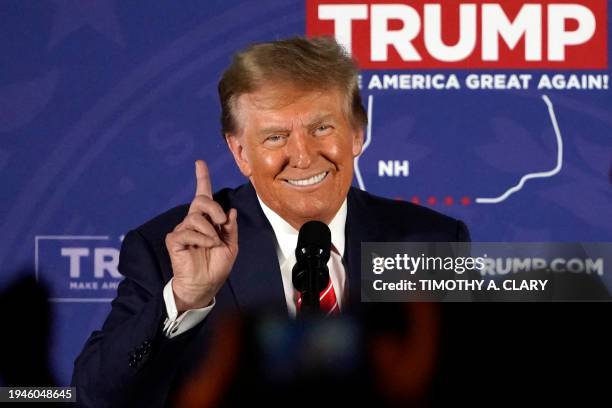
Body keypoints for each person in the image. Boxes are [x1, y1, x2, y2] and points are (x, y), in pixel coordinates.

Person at [72, 36, 469, 407]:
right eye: (276, 137)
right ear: (240, 152)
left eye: (322, 128)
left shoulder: (429, 240)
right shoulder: (168, 249)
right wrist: (185, 299)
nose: (303, 156)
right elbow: (95, 396)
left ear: (356, 134)